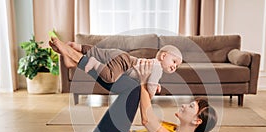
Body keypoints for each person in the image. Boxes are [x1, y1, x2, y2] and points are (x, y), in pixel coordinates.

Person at [49, 38, 217, 132]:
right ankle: (79, 57)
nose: (185, 105)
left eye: (191, 107)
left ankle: (78, 58)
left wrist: (145, 82)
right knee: (132, 86)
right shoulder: (176, 131)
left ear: (197, 121)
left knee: (134, 89)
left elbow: (147, 120)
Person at [49, 37, 182, 98]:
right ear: (163, 56)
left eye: (177, 65)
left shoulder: (154, 64)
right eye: (174, 61)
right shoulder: (158, 67)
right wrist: (152, 92)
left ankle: (76, 47)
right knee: (110, 77)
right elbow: (150, 87)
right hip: (125, 63)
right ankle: (94, 63)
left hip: (121, 55)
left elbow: (151, 80)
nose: (174, 66)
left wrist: (155, 84)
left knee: (99, 52)